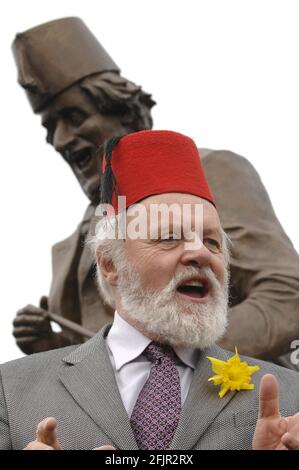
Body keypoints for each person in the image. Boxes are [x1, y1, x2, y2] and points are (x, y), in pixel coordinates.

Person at [12, 18, 299, 366]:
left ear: (128, 114)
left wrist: (168, 360)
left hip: (232, 410)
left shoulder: (213, 174)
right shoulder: (74, 244)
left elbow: (287, 297)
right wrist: (52, 347)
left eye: (74, 116)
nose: (60, 139)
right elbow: (104, 358)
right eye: (51, 126)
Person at [1, 130, 299, 450]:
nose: (200, 253)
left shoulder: (291, 395)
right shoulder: (10, 391)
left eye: (212, 241)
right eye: (169, 237)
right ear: (110, 264)